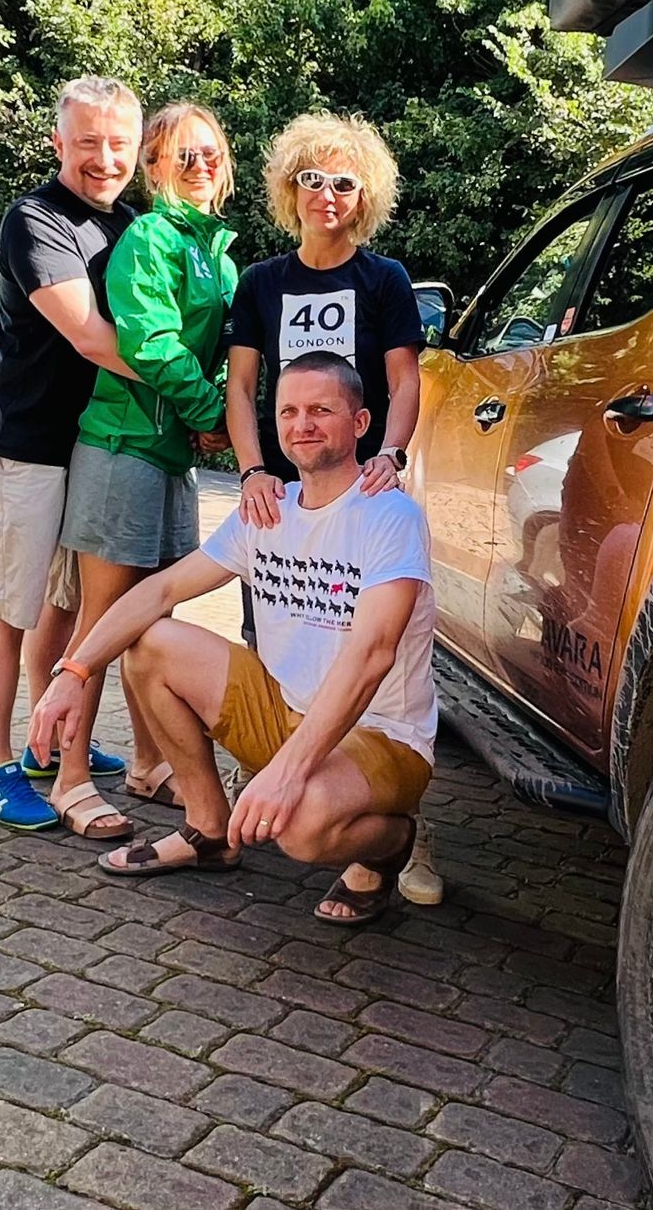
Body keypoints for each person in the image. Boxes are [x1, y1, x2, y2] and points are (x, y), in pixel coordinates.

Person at [28, 352, 436, 927]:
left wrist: (287, 774)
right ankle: (208, 830)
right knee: (151, 643)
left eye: (321, 410)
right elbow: (160, 590)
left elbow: (372, 655)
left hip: (380, 733)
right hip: (283, 709)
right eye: (289, 411)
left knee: (300, 829)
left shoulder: (389, 515)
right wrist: (74, 672)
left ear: (360, 422)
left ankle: (388, 847)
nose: (303, 425)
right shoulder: (268, 510)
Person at [225, 110, 443, 906]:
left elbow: (406, 380)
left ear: (364, 195)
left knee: (373, 641)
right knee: (276, 628)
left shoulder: (383, 280)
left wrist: (392, 452)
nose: (326, 193)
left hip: (365, 484)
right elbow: (241, 385)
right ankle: (277, 772)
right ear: (291, 187)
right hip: (285, 493)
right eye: (311, 178)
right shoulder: (262, 282)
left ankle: (396, 820)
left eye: (343, 182)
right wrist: (252, 468)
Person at [48, 102, 239, 839]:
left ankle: (148, 762)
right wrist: (212, 413)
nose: (201, 166)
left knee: (155, 621)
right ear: (154, 166)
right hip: (121, 447)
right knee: (102, 625)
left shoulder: (217, 252)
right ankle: (69, 778)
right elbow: (153, 343)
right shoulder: (151, 238)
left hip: (171, 456)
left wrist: (216, 411)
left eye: (211, 153)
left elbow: (221, 356)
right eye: (184, 155)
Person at [0, 76, 142, 830]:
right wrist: (191, 391)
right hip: (25, 447)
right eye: (88, 141)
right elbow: (91, 336)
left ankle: (45, 741)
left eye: (119, 143)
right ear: (58, 142)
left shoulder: (129, 222)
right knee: (9, 608)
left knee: (62, 606)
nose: (105, 158)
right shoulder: (34, 219)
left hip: (90, 445)